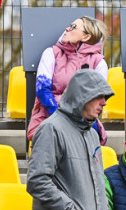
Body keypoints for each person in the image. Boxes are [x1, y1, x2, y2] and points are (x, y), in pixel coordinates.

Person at [27, 68, 114, 210]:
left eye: (105, 97)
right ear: (82, 97)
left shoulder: (92, 135)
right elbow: (37, 181)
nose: (104, 102)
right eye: (99, 96)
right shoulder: (51, 128)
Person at [26, 16, 109, 145]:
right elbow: (42, 90)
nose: (67, 29)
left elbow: (95, 99)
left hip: (83, 121)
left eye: (73, 27)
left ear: (86, 37)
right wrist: (61, 119)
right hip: (49, 119)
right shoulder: (51, 53)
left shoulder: (99, 63)